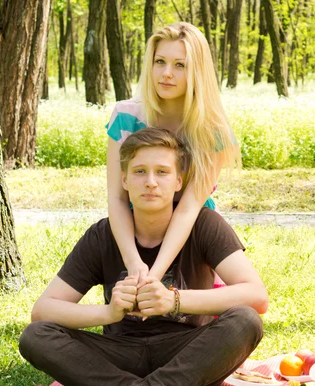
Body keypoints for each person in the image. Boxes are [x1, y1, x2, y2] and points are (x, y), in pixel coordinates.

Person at [19, 128, 267, 386]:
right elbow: (43, 311)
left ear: (179, 182)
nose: (151, 182)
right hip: (118, 351)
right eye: (139, 172)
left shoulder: (204, 225)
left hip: (186, 354)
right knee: (36, 336)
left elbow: (256, 297)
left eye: (162, 172)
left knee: (245, 321)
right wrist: (109, 312)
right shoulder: (103, 234)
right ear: (124, 180)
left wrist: (173, 300)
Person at [106, 22, 239, 288]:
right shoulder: (126, 116)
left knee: (224, 315)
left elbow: (189, 207)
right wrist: (134, 264)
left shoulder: (213, 131)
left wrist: (155, 275)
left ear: (197, 71)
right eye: (160, 62)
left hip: (193, 232)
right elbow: (117, 198)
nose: (166, 73)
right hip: (137, 228)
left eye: (180, 65)